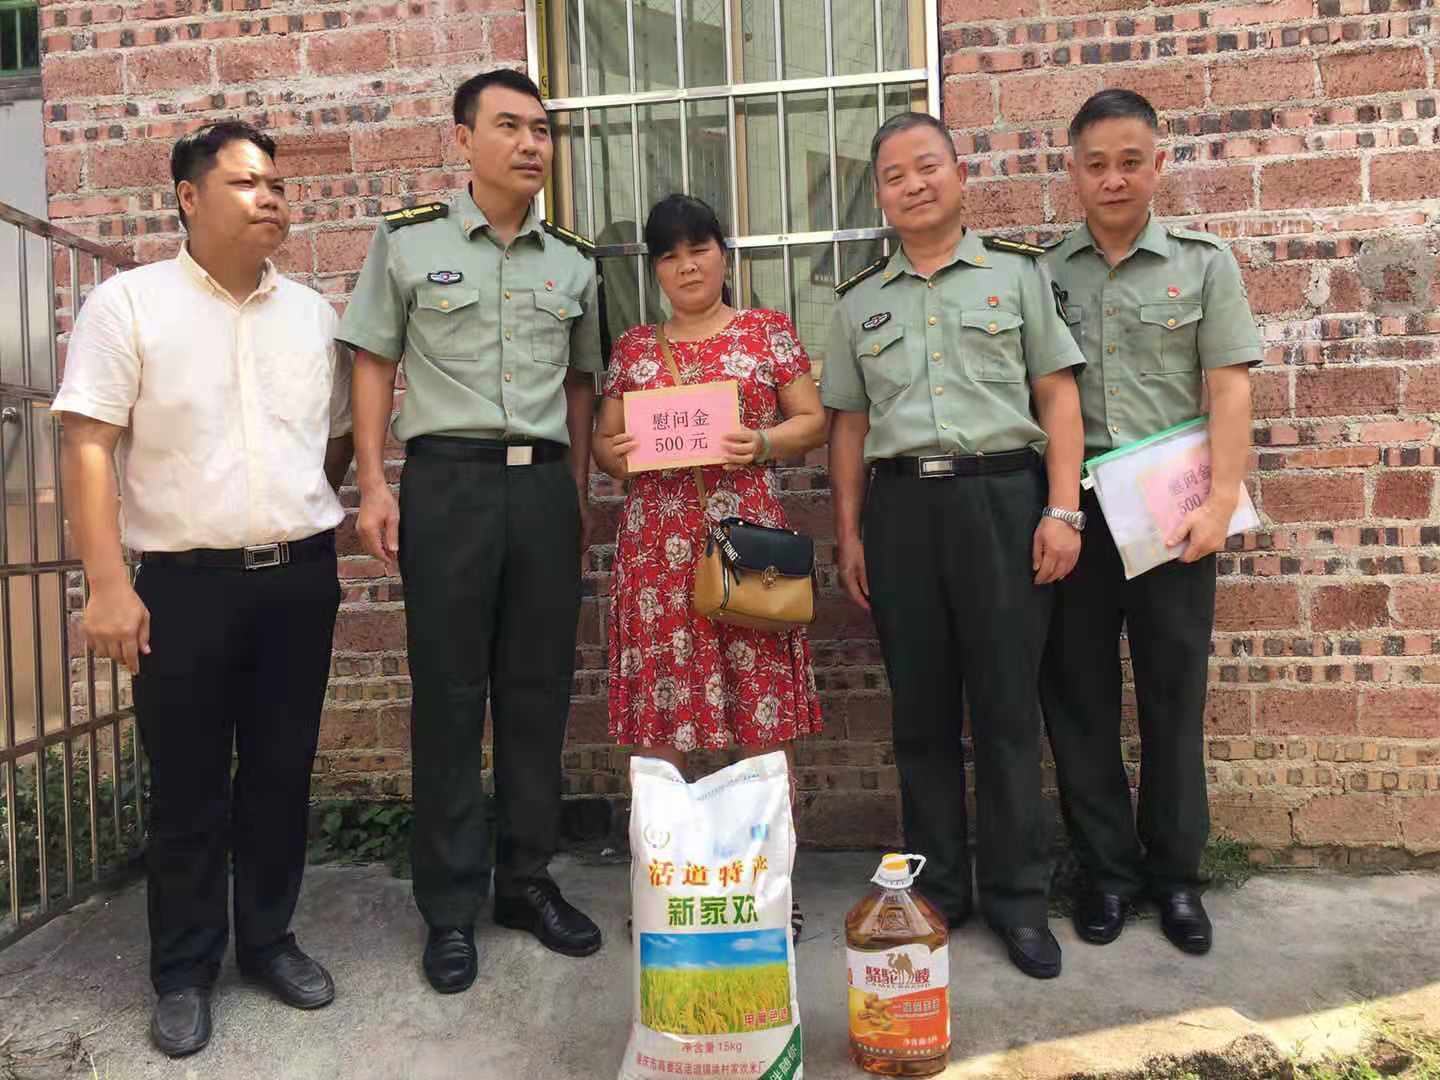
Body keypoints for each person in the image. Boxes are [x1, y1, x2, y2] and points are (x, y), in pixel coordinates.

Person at [52, 121, 353, 1057]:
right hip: (183, 590)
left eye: (278, 185)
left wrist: (292, 513)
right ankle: (183, 970)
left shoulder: (314, 316)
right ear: (189, 196)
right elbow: (87, 443)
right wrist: (109, 584)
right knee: (186, 786)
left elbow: (337, 439)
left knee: (280, 772)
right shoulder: (129, 306)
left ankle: (268, 941)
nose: (272, 198)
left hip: (297, 581)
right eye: (247, 182)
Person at [336, 68, 603, 995]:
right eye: (510, 126)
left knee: (537, 693)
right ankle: (449, 907)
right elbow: (373, 362)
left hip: (543, 492)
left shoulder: (574, 261)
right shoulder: (409, 242)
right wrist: (375, 483)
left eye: (542, 130)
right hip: (446, 486)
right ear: (463, 140)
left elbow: (581, 385)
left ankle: (525, 881)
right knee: (450, 698)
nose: (531, 144)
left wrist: (575, 492)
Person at [823, 112, 1087, 980]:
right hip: (901, 513)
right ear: (880, 195)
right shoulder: (859, 301)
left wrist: (1063, 510)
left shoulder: (1018, 276)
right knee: (921, 714)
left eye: (927, 166)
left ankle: (1018, 899)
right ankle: (937, 893)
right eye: (894, 175)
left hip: (1002, 502)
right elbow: (849, 425)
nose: (914, 185)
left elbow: (1057, 396)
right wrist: (849, 531)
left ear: (959, 174)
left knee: (1008, 710)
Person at [1041, 89, 1258, 956]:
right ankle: (1106, 874)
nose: (1114, 179)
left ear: (1159, 164)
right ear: (1073, 172)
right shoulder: (1043, 274)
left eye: (1131, 161)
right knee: (1080, 701)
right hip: (1078, 512)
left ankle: (1175, 878)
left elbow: (1229, 388)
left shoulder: (1204, 265)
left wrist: (1220, 503)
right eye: (1096, 164)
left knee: (1173, 701)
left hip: (1173, 513)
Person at [592, 195, 825, 905]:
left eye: (699, 249)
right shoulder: (634, 349)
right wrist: (620, 455)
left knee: (761, 711)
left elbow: (812, 421)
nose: (686, 266)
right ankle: (666, 892)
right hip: (656, 552)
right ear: (656, 270)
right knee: (661, 716)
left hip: (747, 546)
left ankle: (769, 894)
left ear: (724, 254)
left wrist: (762, 441)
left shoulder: (766, 332)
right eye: (669, 255)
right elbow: (604, 444)